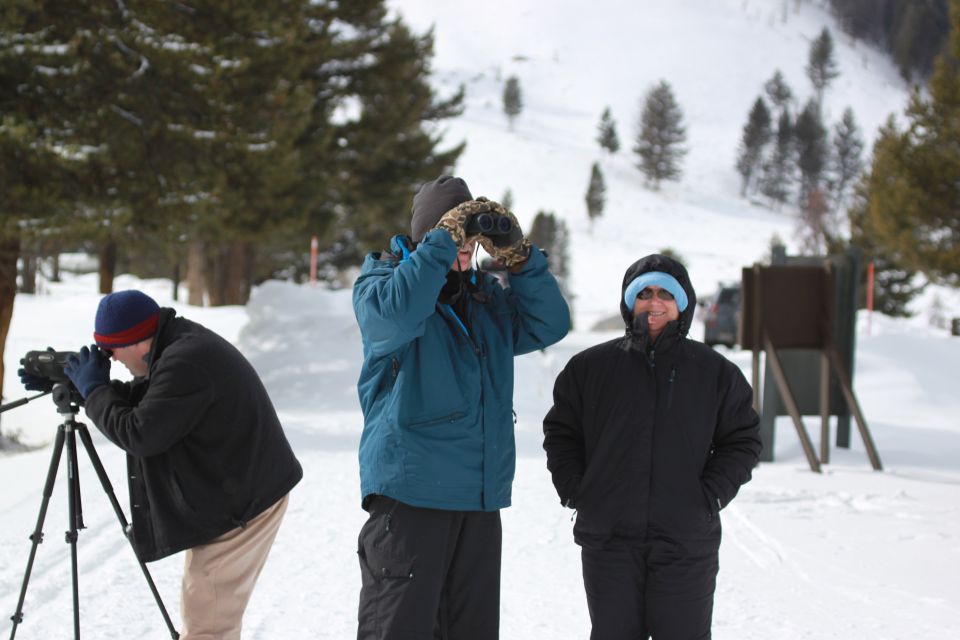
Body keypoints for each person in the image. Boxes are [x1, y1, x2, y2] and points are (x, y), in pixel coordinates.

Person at [352, 175, 570, 639]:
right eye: (455, 242)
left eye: (470, 246)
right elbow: (396, 317)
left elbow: (549, 324)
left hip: (477, 500)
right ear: (426, 237)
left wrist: (520, 258)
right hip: (410, 500)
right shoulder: (381, 283)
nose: (463, 255)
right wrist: (440, 243)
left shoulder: (485, 300)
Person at [43, 289, 302, 640]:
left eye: (111, 349)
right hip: (239, 488)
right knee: (206, 614)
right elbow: (153, 402)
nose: (111, 359)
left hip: (243, 503)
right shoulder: (175, 345)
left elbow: (140, 432)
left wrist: (97, 392)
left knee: (207, 623)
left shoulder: (186, 359)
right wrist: (81, 388)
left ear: (135, 341)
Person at [542, 254, 762, 640]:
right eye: (644, 293)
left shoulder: (715, 372)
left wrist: (707, 497)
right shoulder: (590, 368)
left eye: (665, 293)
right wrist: (580, 491)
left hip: (685, 541)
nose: (654, 302)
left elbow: (742, 440)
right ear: (630, 302)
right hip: (609, 540)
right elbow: (562, 433)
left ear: (682, 304)